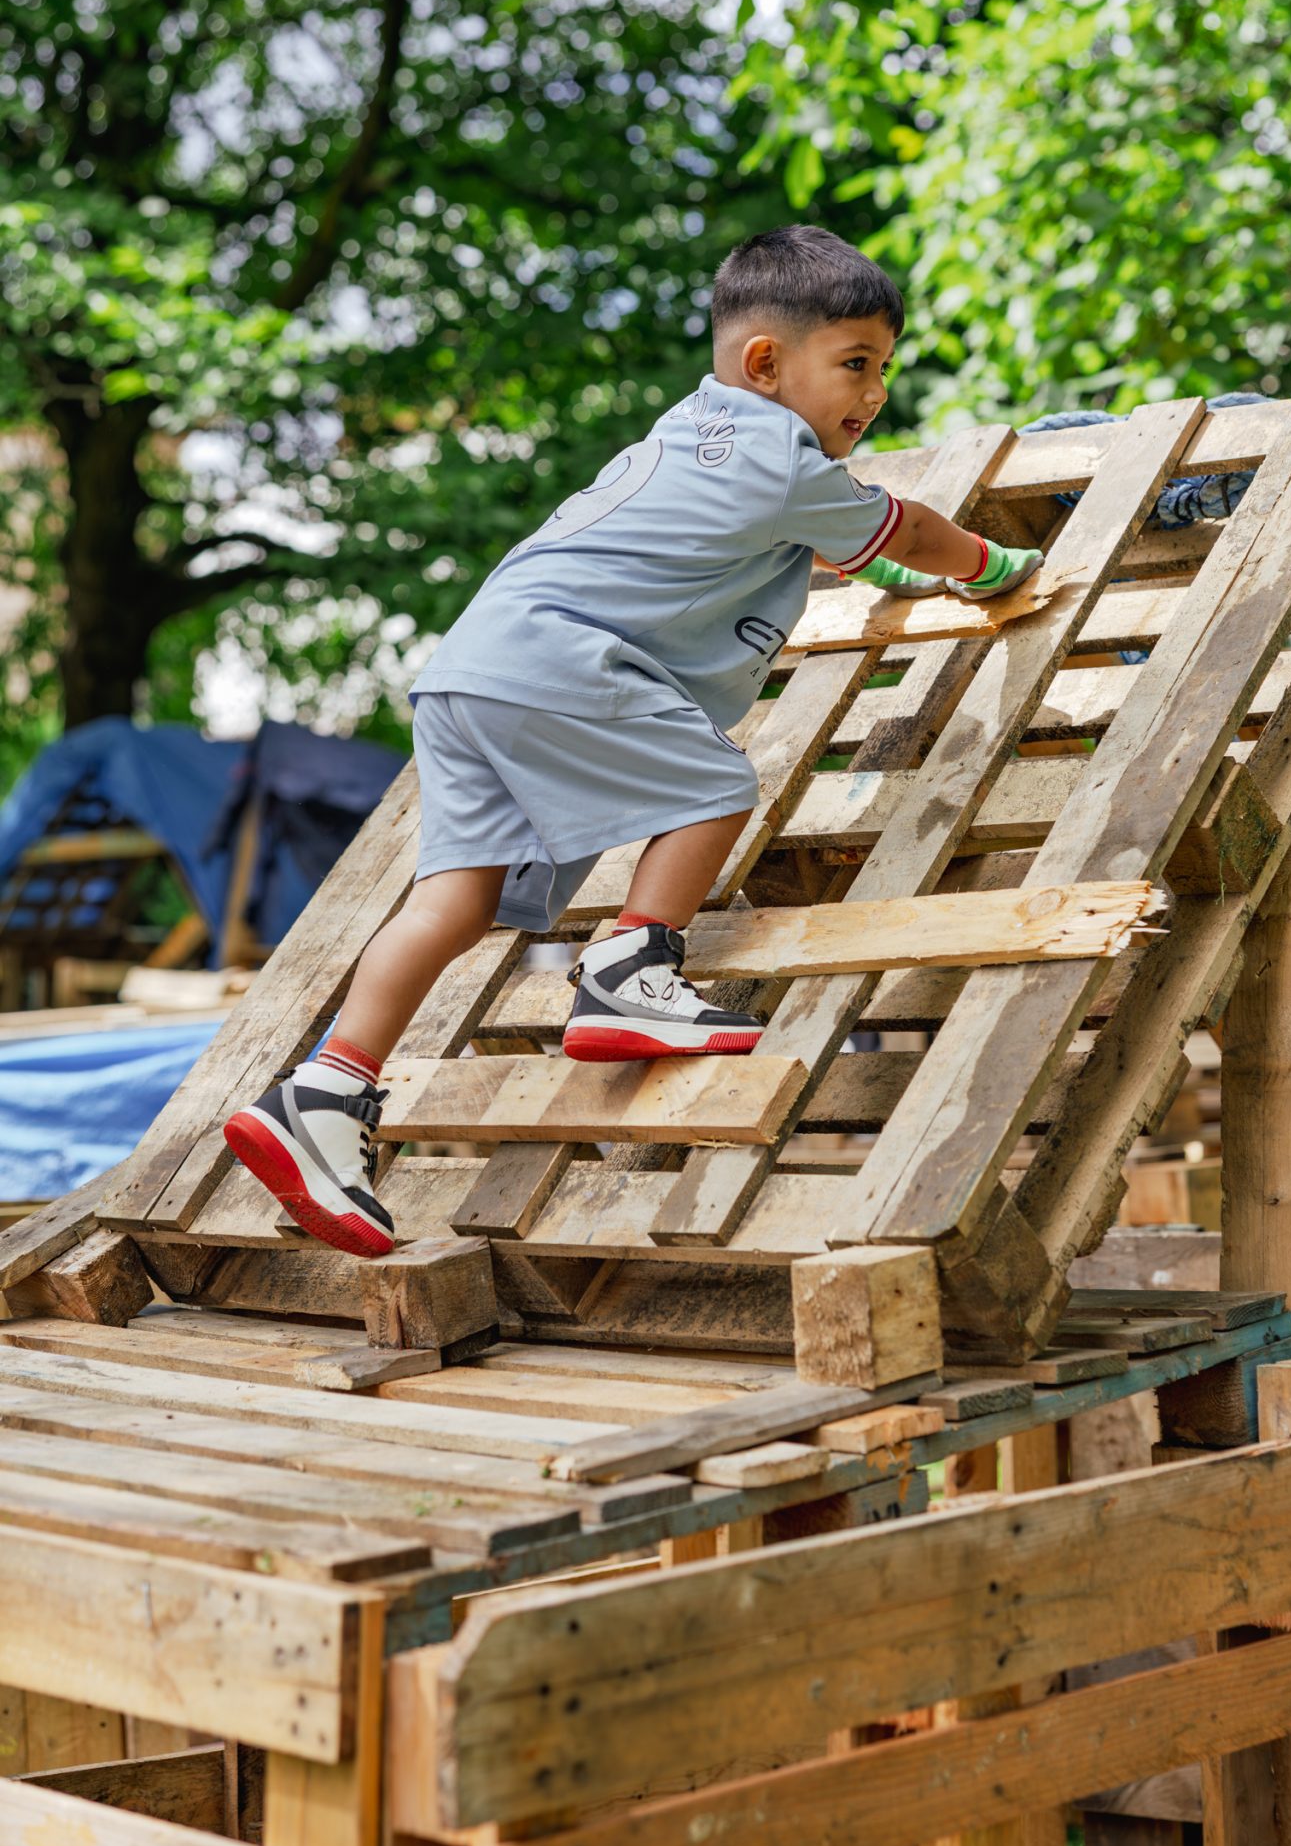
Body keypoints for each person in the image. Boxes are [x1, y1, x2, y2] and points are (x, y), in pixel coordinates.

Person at [221, 224, 1043, 1255]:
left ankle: (324, 1095)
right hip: (561, 661)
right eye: (857, 364)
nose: (875, 393)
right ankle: (630, 969)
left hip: (473, 669)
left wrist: (881, 573)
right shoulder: (777, 457)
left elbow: (844, 549)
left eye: (882, 368)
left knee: (454, 899)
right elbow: (907, 528)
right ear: (763, 363)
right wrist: (985, 565)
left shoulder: (689, 439)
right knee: (711, 788)